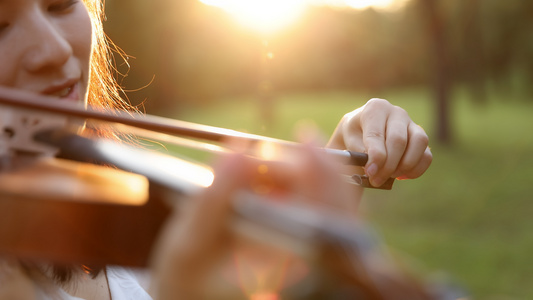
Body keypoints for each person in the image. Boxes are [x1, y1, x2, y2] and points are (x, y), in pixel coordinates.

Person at [0, 0, 432, 299]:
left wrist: (338, 163)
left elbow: (269, 280)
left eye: (61, 4)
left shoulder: (108, 198)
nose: (54, 51)